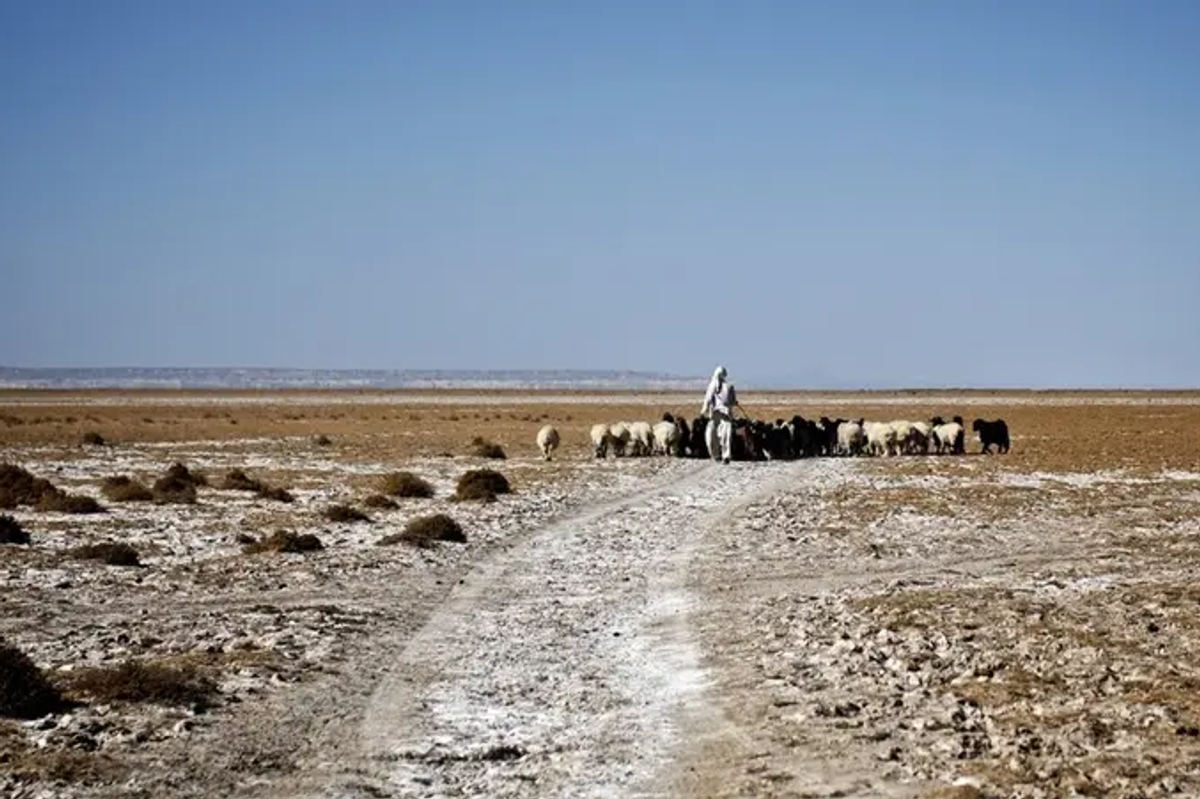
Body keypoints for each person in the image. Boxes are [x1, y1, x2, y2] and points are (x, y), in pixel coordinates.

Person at [701, 365, 739, 463]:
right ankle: (718, 455)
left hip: (722, 414)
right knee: (715, 434)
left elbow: (708, 399)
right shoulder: (717, 385)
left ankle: (722, 455)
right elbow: (708, 398)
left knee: (723, 435)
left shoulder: (727, 386)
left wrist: (704, 409)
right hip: (717, 413)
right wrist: (705, 408)